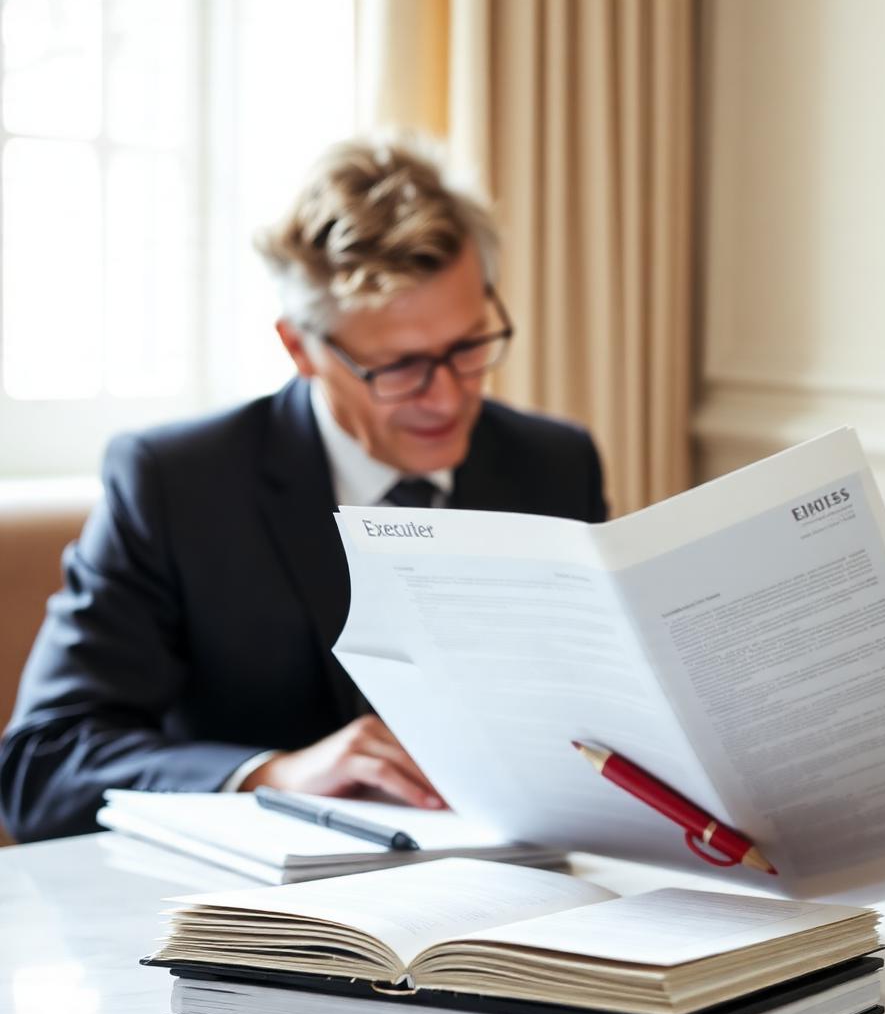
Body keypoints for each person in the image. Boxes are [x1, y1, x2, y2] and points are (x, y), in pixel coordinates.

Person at [0, 137, 607, 843]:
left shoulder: (555, 466)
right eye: (399, 366)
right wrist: (272, 774)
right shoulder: (177, 484)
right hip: (253, 922)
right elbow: (39, 766)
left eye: (469, 346)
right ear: (300, 347)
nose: (446, 398)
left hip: (528, 898)